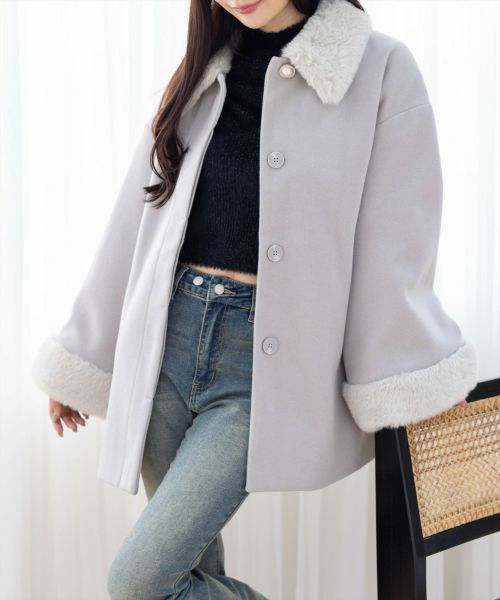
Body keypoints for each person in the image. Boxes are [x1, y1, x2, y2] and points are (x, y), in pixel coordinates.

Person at [31, 0, 477, 597]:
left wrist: (410, 369)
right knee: (186, 575)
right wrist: (82, 355)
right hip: (163, 347)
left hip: (262, 366)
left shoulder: (379, 68)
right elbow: (135, 222)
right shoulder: (202, 68)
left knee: (141, 582)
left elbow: (397, 240)